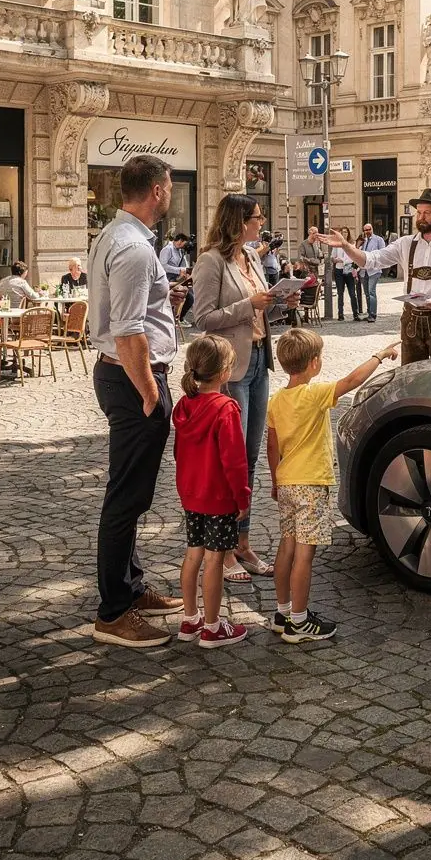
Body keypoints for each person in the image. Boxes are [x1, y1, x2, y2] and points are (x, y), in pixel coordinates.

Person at [88, 154, 184, 648]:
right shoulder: (133, 248)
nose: (170, 193)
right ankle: (112, 613)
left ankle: (130, 588)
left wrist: (165, 304)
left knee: (132, 492)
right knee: (126, 497)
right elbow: (127, 332)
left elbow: (128, 316)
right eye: (169, 186)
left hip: (122, 376)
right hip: (133, 381)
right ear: (157, 191)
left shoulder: (116, 236)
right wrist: (150, 393)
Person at [192, 193, 299, 583]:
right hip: (231, 369)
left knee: (250, 458)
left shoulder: (252, 257)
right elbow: (202, 318)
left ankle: (242, 542)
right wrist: (249, 304)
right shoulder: (211, 261)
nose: (261, 222)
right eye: (256, 217)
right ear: (238, 221)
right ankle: (222, 552)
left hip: (258, 361)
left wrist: (282, 303)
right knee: (230, 460)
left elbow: (260, 309)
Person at [267, 328, 399, 642]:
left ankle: (282, 612)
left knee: (286, 546)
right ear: (314, 363)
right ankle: (300, 622)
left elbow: (272, 447)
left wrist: (275, 480)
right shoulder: (314, 394)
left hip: (287, 482)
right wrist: (379, 355)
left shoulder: (276, 401)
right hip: (311, 485)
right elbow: (353, 380)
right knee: (304, 554)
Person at [323, 188, 431, 365]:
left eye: (427, 213)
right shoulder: (405, 244)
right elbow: (371, 260)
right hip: (411, 321)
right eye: (419, 212)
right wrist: (346, 246)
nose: (421, 217)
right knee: (410, 375)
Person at [173, 335, 250, 649]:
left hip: (191, 493)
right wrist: (242, 497)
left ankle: (190, 618)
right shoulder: (225, 408)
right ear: (224, 373)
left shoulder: (184, 406)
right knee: (215, 560)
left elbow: (178, 452)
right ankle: (213, 626)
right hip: (218, 496)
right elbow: (235, 461)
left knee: (193, 553)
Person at [160, 232, 193, 319]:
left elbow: (183, 264)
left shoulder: (179, 251)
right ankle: (176, 318)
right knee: (187, 298)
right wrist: (179, 270)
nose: (184, 246)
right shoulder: (167, 249)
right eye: (184, 244)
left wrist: (186, 270)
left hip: (177, 279)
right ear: (180, 241)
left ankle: (178, 318)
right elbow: (163, 266)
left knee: (189, 296)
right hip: (168, 279)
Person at [332, 227, 360, 321]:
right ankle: (340, 314)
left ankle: (355, 314)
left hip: (349, 270)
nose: (344, 234)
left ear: (348, 233)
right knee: (340, 293)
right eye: (342, 232)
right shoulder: (337, 245)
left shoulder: (352, 244)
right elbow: (333, 258)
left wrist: (343, 261)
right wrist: (337, 260)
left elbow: (353, 257)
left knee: (352, 293)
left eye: (346, 232)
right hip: (339, 270)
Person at [359, 222, 385, 322]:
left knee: (371, 292)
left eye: (369, 229)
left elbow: (383, 253)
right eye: (366, 230)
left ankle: (373, 315)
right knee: (366, 293)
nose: (367, 231)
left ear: (372, 229)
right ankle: (369, 313)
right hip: (364, 271)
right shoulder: (363, 241)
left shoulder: (379, 240)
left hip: (374, 270)